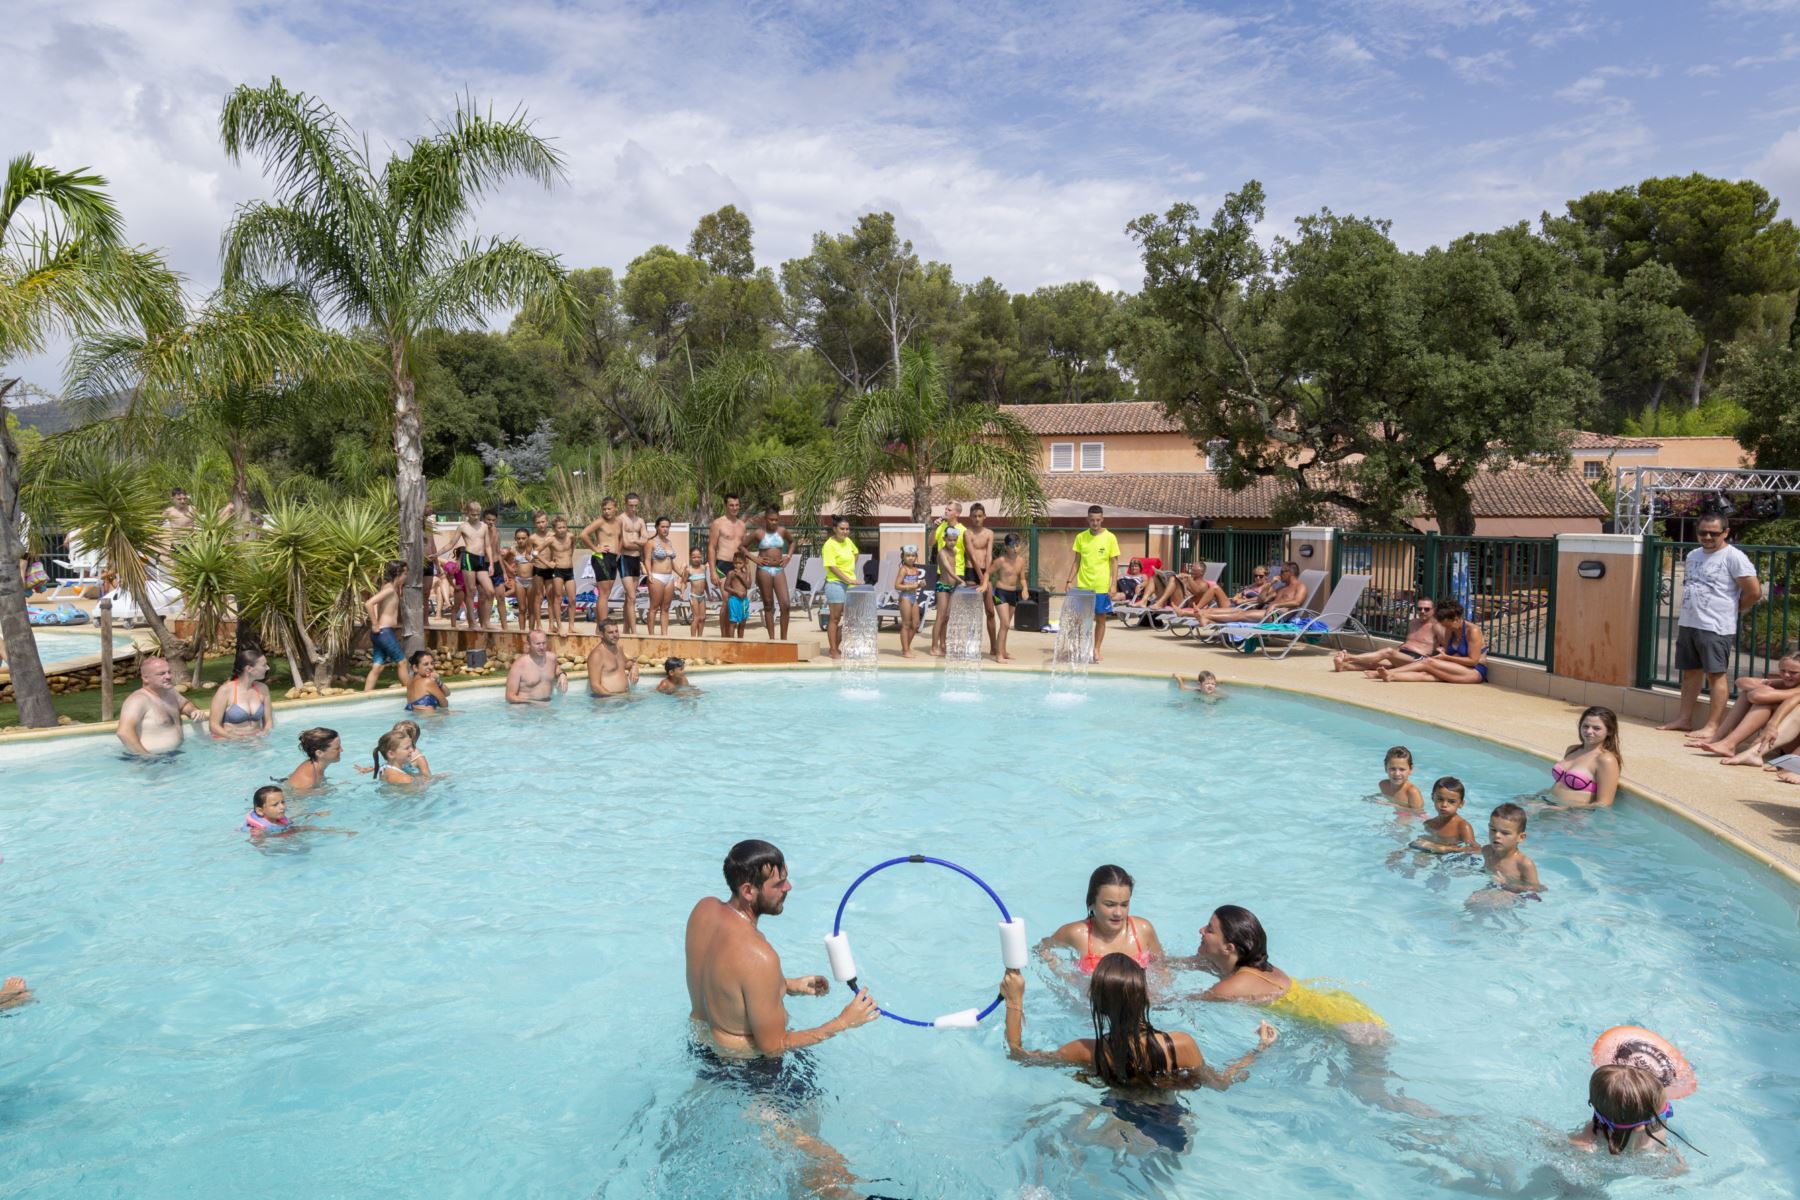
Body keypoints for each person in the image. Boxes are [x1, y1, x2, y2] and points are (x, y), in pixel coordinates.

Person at [685, 840, 879, 1197]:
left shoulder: (704, 911)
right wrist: (843, 1022)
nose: (788, 888)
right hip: (751, 1076)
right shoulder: (759, 956)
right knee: (828, 1168)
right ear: (748, 891)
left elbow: (723, 979)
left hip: (704, 1052)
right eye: (778, 884)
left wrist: (786, 985)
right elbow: (773, 1047)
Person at [1000, 958, 1277, 1113]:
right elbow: (1221, 1083)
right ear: (1145, 997)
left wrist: (1014, 1000)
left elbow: (1018, 1055)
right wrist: (1258, 1050)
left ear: (1098, 1005)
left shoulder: (1086, 1051)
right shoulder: (1180, 1045)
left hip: (1115, 1116)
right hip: (1170, 1126)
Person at [1658, 514, 1762, 738]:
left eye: (1713, 533)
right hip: (1689, 622)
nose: (1707, 537)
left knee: (1716, 675)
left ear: (1725, 533)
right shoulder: (1693, 555)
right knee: (1690, 673)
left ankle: (1712, 726)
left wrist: (1735, 609)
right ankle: (1684, 719)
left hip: (1716, 626)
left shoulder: (1734, 557)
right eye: (1702, 532)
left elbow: (1754, 592)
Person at [1039, 865, 1165, 976]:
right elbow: (1041, 948)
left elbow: (1162, 967)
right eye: (1110, 905)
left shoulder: (1142, 930)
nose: (1118, 913)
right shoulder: (1076, 934)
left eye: (1124, 905)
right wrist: (1061, 971)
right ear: (1091, 903)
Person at [1692, 653, 1800, 758]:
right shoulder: (1785, 682)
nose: (1786, 675)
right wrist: (1765, 687)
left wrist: (1764, 688)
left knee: (1763, 703)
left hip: (1794, 750)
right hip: (1779, 743)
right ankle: (1718, 738)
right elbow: (1741, 681)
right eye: (1783, 671)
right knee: (1746, 693)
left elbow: (1757, 696)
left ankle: (1728, 744)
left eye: (1793, 672)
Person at [1570, 1066, 1686, 1161]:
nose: (1667, 1118)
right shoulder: (1586, 1145)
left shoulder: (1658, 1133)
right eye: (1667, 1112)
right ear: (1640, 1127)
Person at [1375, 598, 1487, 684]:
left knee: (1428, 662)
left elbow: (1473, 661)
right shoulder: (1450, 630)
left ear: (1456, 619)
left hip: (1474, 672)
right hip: (1457, 668)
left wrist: (1446, 657)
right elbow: (1447, 652)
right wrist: (1442, 654)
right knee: (1426, 673)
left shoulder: (1473, 631)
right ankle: (1391, 676)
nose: (1446, 629)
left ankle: (1388, 673)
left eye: (1447, 625)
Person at [1060, 505, 1120, 662]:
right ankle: (1078, 648)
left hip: (1101, 587)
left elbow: (1114, 562)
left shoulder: (1110, 538)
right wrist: (1069, 580)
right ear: (1088, 519)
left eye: (1098, 520)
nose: (1095, 523)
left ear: (1102, 519)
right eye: (1092, 520)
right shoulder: (1081, 537)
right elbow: (1076, 561)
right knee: (1078, 620)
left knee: (1100, 619)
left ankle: (1096, 649)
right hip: (1083, 586)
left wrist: (1113, 584)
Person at [116, 655, 208, 755]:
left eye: (169, 672)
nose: (168, 677)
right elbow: (124, 732)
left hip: (175, 755)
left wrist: (193, 711)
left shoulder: (170, 692)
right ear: (146, 678)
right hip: (154, 758)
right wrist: (147, 757)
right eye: (161, 674)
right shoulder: (138, 700)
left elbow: (185, 704)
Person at [1335, 598, 1441, 673]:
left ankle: (1349, 657)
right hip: (1403, 654)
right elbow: (1409, 642)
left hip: (1417, 659)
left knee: (1388, 651)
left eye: (1426, 609)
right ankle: (1344, 666)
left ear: (1434, 610)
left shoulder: (1437, 626)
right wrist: (1398, 650)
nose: (1422, 611)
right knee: (1375, 663)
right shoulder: (1413, 622)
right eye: (1419, 609)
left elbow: (1444, 648)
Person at [1547, 706, 1623, 807]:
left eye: (1596, 728)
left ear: (1609, 731)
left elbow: (1604, 804)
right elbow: (1560, 784)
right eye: (1585, 726)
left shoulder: (1605, 760)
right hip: (1548, 803)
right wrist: (1537, 797)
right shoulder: (1572, 750)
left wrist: (1564, 809)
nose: (1589, 731)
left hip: (1571, 814)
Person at [1192, 561, 1305, 628]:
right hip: (1267, 611)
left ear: (1290, 573)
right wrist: (1270, 584)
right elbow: (1261, 600)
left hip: (1277, 616)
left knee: (1241, 615)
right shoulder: (1281, 588)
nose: (1280, 574)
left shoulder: (1300, 586)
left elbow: (1297, 602)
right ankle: (1207, 618)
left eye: (1282, 572)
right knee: (1239, 613)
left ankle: (1207, 617)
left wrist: (1275, 605)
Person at [452, 500, 499, 631]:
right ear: (467, 513)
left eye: (478, 514)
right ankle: (472, 622)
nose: (476, 517)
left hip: (481, 560)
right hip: (468, 558)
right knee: (471, 591)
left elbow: (488, 546)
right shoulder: (463, 527)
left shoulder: (483, 526)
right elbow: (451, 543)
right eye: (473, 514)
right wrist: (438, 553)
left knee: (490, 591)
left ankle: (486, 621)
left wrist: (491, 564)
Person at [363, 560, 409, 691]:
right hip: (385, 633)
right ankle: (411, 694)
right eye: (405, 573)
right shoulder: (389, 589)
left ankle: (365, 695)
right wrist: (374, 624)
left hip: (381, 634)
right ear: (398, 573)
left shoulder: (388, 587)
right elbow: (369, 603)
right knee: (402, 662)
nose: (406, 577)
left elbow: (376, 604)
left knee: (378, 667)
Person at [209, 646, 274, 739]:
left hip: (255, 740)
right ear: (249, 669)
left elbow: (268, 722)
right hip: (231, 741)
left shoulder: (263, 689)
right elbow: (213, 726)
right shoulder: (225, 691)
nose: (267, 668)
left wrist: (265, 733)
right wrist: (236, 739)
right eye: (264, 665)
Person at [1479, 802, 1542, 897]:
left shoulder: (1523, 864)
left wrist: (1506, 885)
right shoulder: (1487, 851)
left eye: (1505, 833)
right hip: (1492, 888)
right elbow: (1485, 871)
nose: (1497, 835)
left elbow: (1536, 889)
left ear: (1520, 837)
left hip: (1513, 895)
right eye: (1493, 830)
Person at [929, 502, 966, 657]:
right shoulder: (941, 527)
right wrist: (933, 528)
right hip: (943, 575)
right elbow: (930, 543)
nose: (946, 511)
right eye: (945, 509)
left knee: (948, 616)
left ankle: (943, 644)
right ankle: (934, 646)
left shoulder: (963, 530)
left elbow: (969, 551)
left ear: (957, 513)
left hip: (959, 573)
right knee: (941, 615)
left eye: (949, 510)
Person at [707, 494, 748, 636]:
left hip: (739, 566)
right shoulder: (718, 523)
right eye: (731, 505)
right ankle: (724, 636)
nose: (734, 508)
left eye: (737, 505)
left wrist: (747, 568)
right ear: (725, 506)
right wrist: (712, 571)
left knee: (737, 601)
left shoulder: (742, 525)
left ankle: (734, 637)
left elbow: (743, 548)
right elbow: (711, 547)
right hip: (723, 564)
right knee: (727, 601)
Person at [963, 503, 1000, 656]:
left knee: (990, 611)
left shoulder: (989, 533)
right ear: (970, 517)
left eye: (979, 516)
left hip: (986, 571)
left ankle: (994, 647)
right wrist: (982, 579)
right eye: (974, 516)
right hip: (972, 572)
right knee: (973, 613)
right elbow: (972, 556)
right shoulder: (967, 533)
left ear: (984, 516)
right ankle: (971, 646)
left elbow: (989, 555)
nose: (977, 519)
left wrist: (986, 578)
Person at [580, 497, 623, 625]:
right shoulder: (600, 522)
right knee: (603, 593)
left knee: (607, 593)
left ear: (615, 508)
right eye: (604, 509)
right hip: (601, 557)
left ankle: (600, 626)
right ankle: (603, 625)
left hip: (613, 558)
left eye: (609, 509)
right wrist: (595, 548)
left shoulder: (619, 522)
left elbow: (620, 537)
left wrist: (619, 550)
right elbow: (583, 534)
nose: (606, 511)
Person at [752, 506, 793, 639]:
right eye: (771, 519)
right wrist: (754, 558)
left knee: (785, 604)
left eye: (776, 520)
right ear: (765, 519)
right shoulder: (759, 533)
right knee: (768, 604)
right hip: (764, 570)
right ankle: (772, 639)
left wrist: (788, 556)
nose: (774, 522)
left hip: (779, 569)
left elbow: (792, 542)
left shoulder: (782, 531)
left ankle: (784, 639)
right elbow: (742, 546)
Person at [1410, 777, 1479, 854]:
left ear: (1461, 804)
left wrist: (1445, 848)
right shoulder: (1429, 824)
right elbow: (1420, 843)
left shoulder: (1462, 826)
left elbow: (1475, 850)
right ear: (1433, 797)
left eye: (1451, 801)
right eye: (1440, 799)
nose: (1444, 805)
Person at [820, 516, 857, 660]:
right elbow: (832, 567)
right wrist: (847, 578)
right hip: (835, 584)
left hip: (850, 584)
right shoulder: (829, 545)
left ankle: (834, 645)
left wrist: (850, 569)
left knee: (852, 619)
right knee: (835, 618)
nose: (845, 532)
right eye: (842, 529)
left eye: (847, 529)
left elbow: (856, 553)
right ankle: (833, 649)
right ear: (835, 529)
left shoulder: (848, 541)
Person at [989, 535, 1027, 662]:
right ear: (1006, 547)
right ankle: (999, 654)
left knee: (1006, 626)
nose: (1015, 549)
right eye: (1011, 546)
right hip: (1000, 593)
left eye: (1017, 545)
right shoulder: (1000, 561)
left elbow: (1022, 578)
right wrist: (984, 585)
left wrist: (1025, 589)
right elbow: (987, 573)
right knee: (1004, 623)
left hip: (1013, 594)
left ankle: (1003, 651)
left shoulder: (1021, 561)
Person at [505, 629, 567, 703]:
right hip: (526, 706)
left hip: (547, 704)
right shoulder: (519, 665)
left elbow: (556, 668)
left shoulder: (551, 658)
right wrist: (534, 703)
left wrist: (562, 674)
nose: (542, 647)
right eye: (538, 644)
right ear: (528, 645)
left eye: (544, 643)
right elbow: (510, 696)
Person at [616, 492, 648, 634]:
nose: (633, 508)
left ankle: (625, 630)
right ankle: (634, 632)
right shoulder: (621, 520)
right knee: (632, 597)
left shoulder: (640, 521)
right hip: (625, 558)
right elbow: (626, 544)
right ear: (625, 504)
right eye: (631, 506)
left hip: (636, 559)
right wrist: (638, 542)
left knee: (629, 598)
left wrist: (637, 542)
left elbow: (646, 540)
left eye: (636, 506)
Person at [642, 516, 679, 636]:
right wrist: (649, 573)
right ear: (657, 527)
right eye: (663, 526)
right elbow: (647, 559)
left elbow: (671, 562)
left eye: (667, 527)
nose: (665, 529)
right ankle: (651, 635)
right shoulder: (651, 542)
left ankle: (664, 635)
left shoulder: (669, 542)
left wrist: (681, 573)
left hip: (669, 577)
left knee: (666, 608)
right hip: (656, 576)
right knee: (654, 607)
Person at [543, 515, 576, 635]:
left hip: (569, 570)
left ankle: (571, 626)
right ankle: (560, 626)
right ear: (554, 529)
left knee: (572, 599)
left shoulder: (571, 536)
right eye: (559, 528)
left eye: (564, 527)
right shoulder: (551, 540)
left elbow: (572, 548)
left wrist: (568, 558)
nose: (562, 530)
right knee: (558, 598)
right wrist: (547, 563)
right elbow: (535, 552)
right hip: (557, 571)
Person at [586, 619, 638, 696]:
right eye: (610, 632)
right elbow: (595, 686)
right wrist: (614, 697)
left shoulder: (618, 648)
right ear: (601, 634)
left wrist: (634, 666)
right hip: (606, 700)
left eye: (616, 631)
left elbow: (626, 664)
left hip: (623, 697)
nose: (615, 635)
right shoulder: (597, 655)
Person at [283, 727, 342, 792]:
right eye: (337, 748)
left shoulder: (316, 766)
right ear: (319, 753)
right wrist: (332, 788)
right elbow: (297, 795)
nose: (342, 750)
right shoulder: (308, 779)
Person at [895, 545, 925, 657]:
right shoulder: (903, 569)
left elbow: (915, 585)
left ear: (916, 557)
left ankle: (906, 647)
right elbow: (897, 585)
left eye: (913, 556)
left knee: (916, 624)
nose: (910, 558)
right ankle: (905, 650)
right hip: (905, 598)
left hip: (913, 597)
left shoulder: (916, 570)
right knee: (906, 624)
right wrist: (911, 586)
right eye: (908, 556)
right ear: (903, 557)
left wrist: (920, 585)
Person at [1377, 745, 1424, 811]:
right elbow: (1384, 796)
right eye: (1392, 769)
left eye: (1402, 769)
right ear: (1385, 768)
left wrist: (1392, 805)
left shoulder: (1412, 792)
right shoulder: (1383, 785)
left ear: (1411, 770)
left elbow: (1419, 812)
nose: (1397, 774)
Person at [508, 525, 537, 630]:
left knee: (531, 609)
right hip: (519, 581)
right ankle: (522, 632)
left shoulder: (533, 551)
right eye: (518, 538)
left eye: (523, 538)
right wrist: (510, 570)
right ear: (515, 539)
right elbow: (503, 560)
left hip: (532, 581)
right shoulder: (513, 550)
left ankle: (531, 632)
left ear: (528, 538)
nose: (521, 540)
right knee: (522, 608)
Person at [723, 551, 753, 639]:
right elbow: (726, 587)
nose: (737, 565)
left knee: (743, 623)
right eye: (735, 563)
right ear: (733, 563)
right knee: (733, 623)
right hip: (734, 600)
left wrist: (741, 576)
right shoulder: (731, 573)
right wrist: (737, 592)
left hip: (744, 601)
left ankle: (740, 641)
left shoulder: (746, 574)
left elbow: (748, 586)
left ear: (744, 563)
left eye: (740, 563)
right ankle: (732, 642)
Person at [685, 547, 711, 637]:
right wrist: (681, 592)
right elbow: (683, 582)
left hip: (702, 596)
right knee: (696, 618)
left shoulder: (704, 568)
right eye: (694, 557)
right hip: (693, 596)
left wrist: (708, 594)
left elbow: (705, 583)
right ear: (690, 557)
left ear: (701, 557)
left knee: (702, 618)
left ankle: (700, 637)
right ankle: (693, 639)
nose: (696, 559)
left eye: (699, 557)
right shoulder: (689, 570)